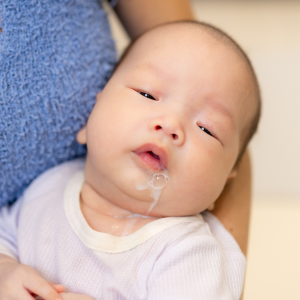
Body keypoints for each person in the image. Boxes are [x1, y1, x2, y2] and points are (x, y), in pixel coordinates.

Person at [0, 21, 260, 300]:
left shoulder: (187, 252)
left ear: (225, 180)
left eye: (207, 128)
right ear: (91, 115)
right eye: (147, 94)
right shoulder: (46, 189)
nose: (171, 124)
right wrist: (6, 271)